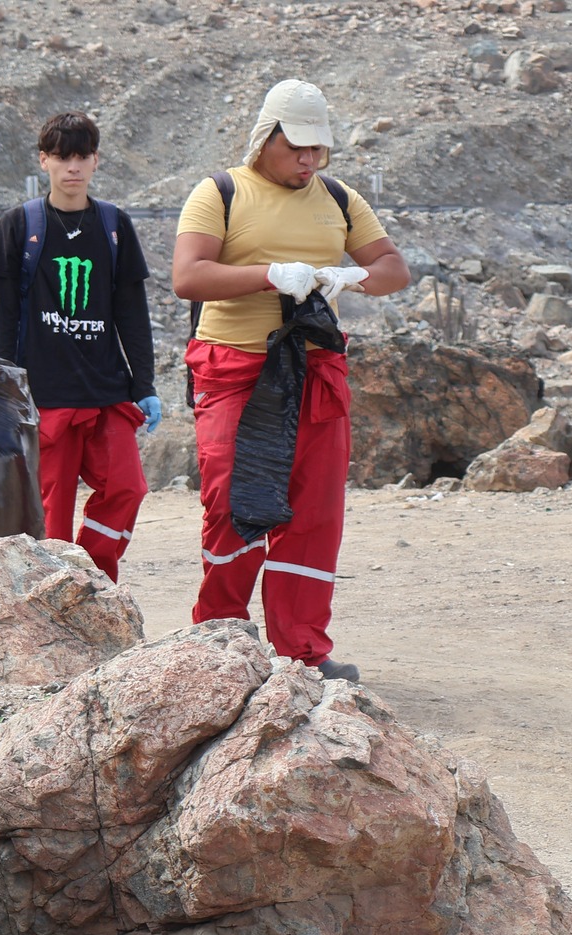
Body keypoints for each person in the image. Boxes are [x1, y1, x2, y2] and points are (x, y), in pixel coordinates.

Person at [171, 79, 409, 682]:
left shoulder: (339, 197)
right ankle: (220, 636)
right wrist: (269, 274)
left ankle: (301, 650)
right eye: (297, 147)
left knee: (314, 510)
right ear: (265, 138)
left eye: (317, 149)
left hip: (314, 369)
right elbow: (188, 276)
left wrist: (352, 278)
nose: (308, 160)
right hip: (235, 367)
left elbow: (392, 268)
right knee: (232, 501)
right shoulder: (220, 192)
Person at [0, 111, 160, 581]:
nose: (73, 167)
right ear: (44, 160)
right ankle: (53, 598)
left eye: (82, 156)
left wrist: (144, 385)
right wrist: (5, 395)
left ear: (96, 160)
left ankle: (93, 578)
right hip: (46, 397)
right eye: (62, 157)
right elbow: (6, 317)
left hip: (106, 391)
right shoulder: (18, 225)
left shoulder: (115, 225)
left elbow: (132, 314)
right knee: (51, 518)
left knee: (127, 488)